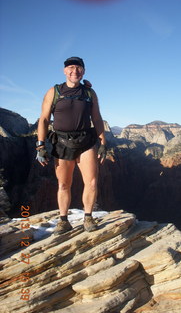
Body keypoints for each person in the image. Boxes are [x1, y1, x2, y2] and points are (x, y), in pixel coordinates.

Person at [36, 56, 107, 235]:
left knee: (91, 182)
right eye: (71, 68)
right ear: (64, 71)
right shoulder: (54, 92)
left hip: (86, 141)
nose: (75, 71)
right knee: (63, 184)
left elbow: (97, 118)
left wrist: (103, 143)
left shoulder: (90, 93)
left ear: (83, 71)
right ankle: (63, 220)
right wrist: (40, 146)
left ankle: (88, 217)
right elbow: (44, 119)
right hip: (61, 143)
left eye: (79, 68)